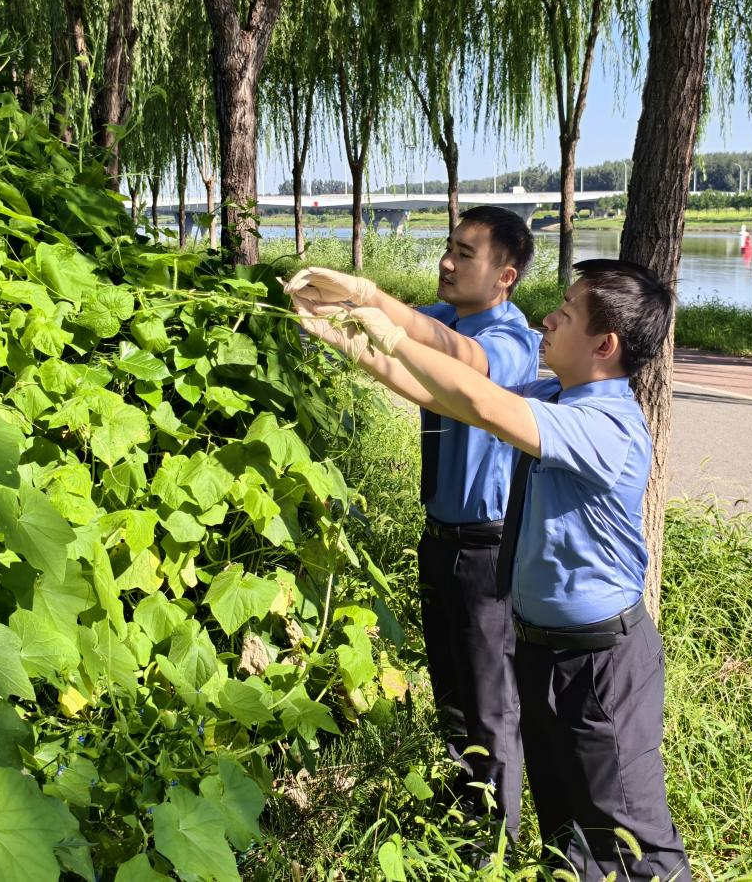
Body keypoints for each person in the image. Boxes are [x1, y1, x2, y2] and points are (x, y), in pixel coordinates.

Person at [293, 259, 687, 880]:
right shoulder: (557, 394)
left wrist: (386, 326)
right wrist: (351, 332)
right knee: (566, 835)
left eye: (567, 311)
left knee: (632, 837)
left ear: (604, 345)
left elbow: (482, 398)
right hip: (542, 652)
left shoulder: (608, 427)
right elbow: (446, 394)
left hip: (601, 666)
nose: (548, 318)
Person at [285, 206, 541, 846]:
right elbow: (423, 330)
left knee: (491, 703)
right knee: (451, 691)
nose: (447, 262)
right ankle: (459, 811)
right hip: (441, 537)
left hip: (488, 547)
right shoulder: (451, 315)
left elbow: (462, 361)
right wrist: (345, 308)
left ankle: (494, 843)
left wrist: (371, 303)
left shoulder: (511, 338)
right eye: (447, 247)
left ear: (504, 275)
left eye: (465, 253)